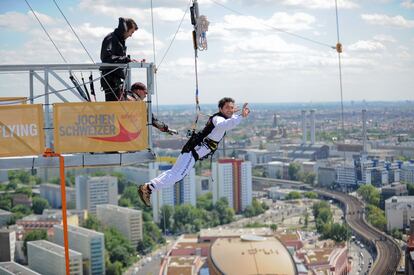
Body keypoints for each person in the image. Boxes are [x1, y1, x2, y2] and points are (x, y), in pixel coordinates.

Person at [138, 97, 250, 206]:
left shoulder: (222, 117)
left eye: (232, 107)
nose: (230, 110)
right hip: (193, 151)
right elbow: (224, 125)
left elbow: (228, 121)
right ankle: (148, 188)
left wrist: (233, 114)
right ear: (220, 109)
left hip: (192, 150)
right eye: (227, 108)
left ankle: (148, 187)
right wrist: (240, 116)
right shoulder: (218, 119)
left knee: (174, 173)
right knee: (177, 176)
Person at [100, 17, 138, 101]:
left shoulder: (118, 39)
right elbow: (106, 58)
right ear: (126, 29)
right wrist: (125, 59)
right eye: (131, 32)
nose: (131, 35)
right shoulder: (111, 38)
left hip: (115, 81)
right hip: (111, 81)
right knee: (113, 109)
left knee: (116, 109)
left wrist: (127, 60)